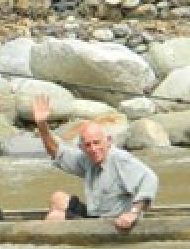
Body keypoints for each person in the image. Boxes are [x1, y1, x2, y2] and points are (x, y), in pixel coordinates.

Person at [31, 94, 158, 230]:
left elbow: (149, 179)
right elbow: (56, 152)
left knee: (55, 218)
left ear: (108, 141)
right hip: (96, 218)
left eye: (97, 143)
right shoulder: (87, 159)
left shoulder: (120, 159)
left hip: (116, 223)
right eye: (88, 145)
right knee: (58, 198)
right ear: (82, 147)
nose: (93, 149)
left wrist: (133, 213)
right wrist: (42, 125)